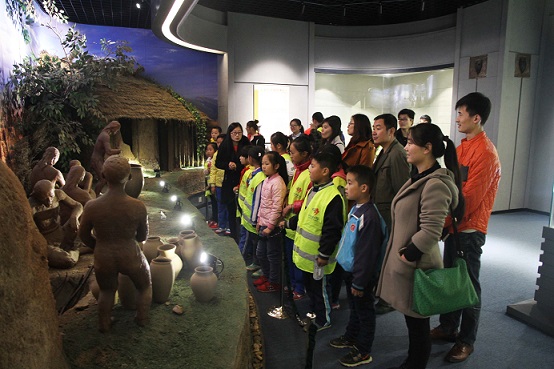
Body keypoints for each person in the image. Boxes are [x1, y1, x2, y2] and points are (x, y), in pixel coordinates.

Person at [377, 123, 463, 369]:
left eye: (411, 142)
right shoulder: (419, 176)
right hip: (409, 264)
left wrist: (408, 254)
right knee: (413, 322)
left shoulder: (434, 183)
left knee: (418, 324)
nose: (406, 146)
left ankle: (415, 365)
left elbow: (431, 231)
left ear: (427, 148)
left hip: (416, 265)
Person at [430, 92, 500, 363]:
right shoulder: (465, 145)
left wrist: (442, 222)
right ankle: (449, 327)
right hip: (455, 227)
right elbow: (454, 188)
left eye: (461, 114)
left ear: (476, 117)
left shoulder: (486, 153)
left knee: (468, 286)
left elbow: (468, 200)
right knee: (451, 280)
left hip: (470, 229)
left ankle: (466, 340)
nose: (457, 119)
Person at [79, 156, 151, 333]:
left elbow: (83, 235)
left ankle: (104, 324)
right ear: (129, 177)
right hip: (129, 253)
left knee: (107, 291)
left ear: (103, 175)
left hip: (104, 255)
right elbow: (143, 236)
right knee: (144, 286)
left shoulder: (92, 206)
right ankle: (141, 318)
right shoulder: (138, 206)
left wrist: (97, 245)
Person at [330, 165, 384, 367]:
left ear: (364, 188)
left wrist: (360, 282)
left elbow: (367, 254)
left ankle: (363, 350)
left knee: (365, 312)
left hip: (360, 275)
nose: (345, 186)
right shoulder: (356, 208)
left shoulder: (369, 216)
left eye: (350, 182)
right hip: (350, 270)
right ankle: (351, 336)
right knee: (354, 308)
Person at [288, 149, 344, 330]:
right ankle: (313, 313)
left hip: (318, 258)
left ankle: (323, 319)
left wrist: (324, 254)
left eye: (313, 166)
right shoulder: (314, 190)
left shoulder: (333, 197)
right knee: (311, 290)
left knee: (320, 291)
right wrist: (289, 223)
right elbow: (305, 216)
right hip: (306, 257)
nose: (309, 170)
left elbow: (332, 231)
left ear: (325, 171)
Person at [372, 113, 411, 314]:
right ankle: (381, 292)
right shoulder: (384, 151)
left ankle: (388, 299)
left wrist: (399, 222)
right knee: (381, 255)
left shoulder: (397, 154)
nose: (374, 131)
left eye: (378, 127)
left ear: (391, 131)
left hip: (390, 215)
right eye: (373, 127)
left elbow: (402, 190)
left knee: (388, 256)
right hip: (381, 211)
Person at [282, 136, 313, 300]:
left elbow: (309, 199)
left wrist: (292, 206)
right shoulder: (298, 170)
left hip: (298, 224)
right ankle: (293, 283)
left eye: (293, 153)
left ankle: (300, 288)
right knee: (290, 257)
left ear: (304, 154)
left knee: (298, 260)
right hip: (289, 223)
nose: (291, 156)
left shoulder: (309, 173)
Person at [253, 152, 288, 292]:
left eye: (267, 164)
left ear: (277, 166)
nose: (264, 166)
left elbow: (277, 207)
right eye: (262, 163)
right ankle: (267, 276)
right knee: (261, 253)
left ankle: (274, 282)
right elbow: (263, 204)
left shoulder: (278, 182)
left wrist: (270, 226)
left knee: (272, 255)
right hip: (263, 223)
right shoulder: (267, 180)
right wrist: (259, 221)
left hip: (271, 227)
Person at [29, 179, 83, 269]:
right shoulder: (31, 206)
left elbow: (78, 205)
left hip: (61, 232)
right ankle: (77, 251)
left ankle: (68, 247)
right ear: (35, 196)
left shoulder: (58, 194)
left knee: (85, 216)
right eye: (44, 199)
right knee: (67, 261)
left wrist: (74, 217)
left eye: (51, 196)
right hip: (47, 242)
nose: (49, 201)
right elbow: (31, 231)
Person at [215, 122, 251, 241]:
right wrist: (228, 165)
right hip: (229, 180)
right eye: (234, 133)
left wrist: (239, 166)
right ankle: (234, 235)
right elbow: (218, 163)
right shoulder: (225, 144)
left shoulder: (246, 142)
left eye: (239, 132)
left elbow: (250, 160)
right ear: (230, 133)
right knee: (231, 209)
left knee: (243, 209)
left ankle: (244, 237)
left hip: (243, 176)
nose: (237, 135)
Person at [242, 146, 267, 271]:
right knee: (254, 243)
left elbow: (258, 200)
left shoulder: (260, 177)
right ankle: (256, 263)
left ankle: (258, 265)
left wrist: (254, 219)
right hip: (251, 218)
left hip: (254, 220)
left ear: (250, 158)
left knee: (257, 244)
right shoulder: (255, 174)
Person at [90, 121, 122, 196]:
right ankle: (95, 197)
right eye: (117, 130)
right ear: (113, 128)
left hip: (99, 159)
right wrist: (118, 150)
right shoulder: (105, 136)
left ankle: (97, 195)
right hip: (96, 160)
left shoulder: (105, 134)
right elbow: (109, 151)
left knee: (105, 178)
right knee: (103, 179)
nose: (117, 132)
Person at [236, 146, 254, 256]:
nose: (240, 158)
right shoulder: (246, 171)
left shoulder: (250, 173)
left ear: (249, 158)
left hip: (246, 210)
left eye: (242, 156)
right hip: (243, 208)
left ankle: (241, 255)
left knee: (245, 235)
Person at [205, 143, 220, 229]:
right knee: (213, 203)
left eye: (210, 150)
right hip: (208, 184)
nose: (208, 151)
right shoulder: (208, 160)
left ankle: (216, 220)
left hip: (213, 184)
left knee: (216, 204)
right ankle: (214, 219)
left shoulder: (214, 161)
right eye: (207, 149)